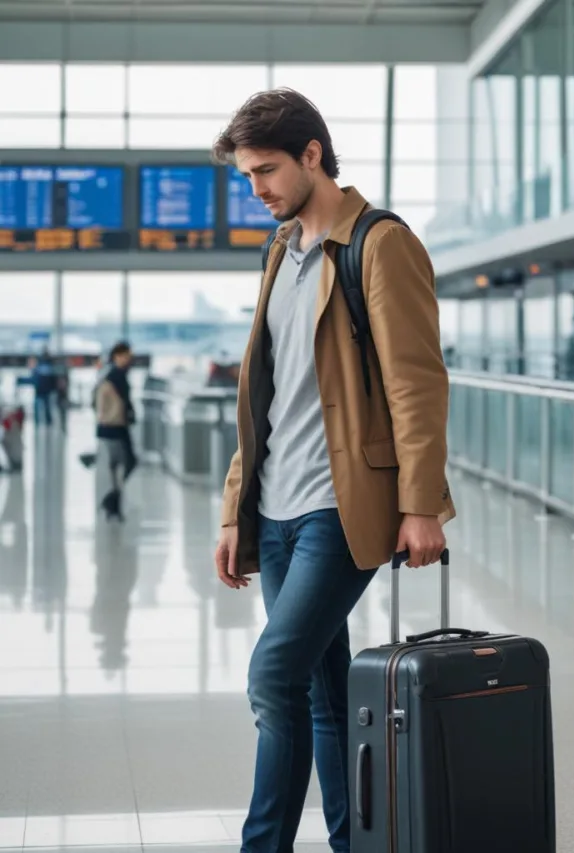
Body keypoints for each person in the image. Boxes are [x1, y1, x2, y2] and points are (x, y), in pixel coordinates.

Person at [212, 88, 455, 853]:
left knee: (271, 677)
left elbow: (416, 382)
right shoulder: (280, 250)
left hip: (338, 508)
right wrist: (233, 509)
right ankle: (356, 842)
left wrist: (420, 505)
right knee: (319, 693)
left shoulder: (379, 243)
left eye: (267, 171)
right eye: (247, 176)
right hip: (276, 508)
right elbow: (264, 391)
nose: (257, 190)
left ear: (312, 153)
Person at [95, 341, 137, 521]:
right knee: (122, 463)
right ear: (117, 356)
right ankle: (112, 502)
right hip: (113, 426)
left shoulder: (117, 375)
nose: (129, 359)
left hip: (118, 426)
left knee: (123, 463)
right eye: (125, 355)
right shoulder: (114, 377)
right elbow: (103, 403)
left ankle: (113, 501)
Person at [32, 348, 57, 427]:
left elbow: (53, 379)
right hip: (41, 390)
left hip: (45, 390)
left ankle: (47, 421)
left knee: (46, 406)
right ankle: (38, 421)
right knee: (39, 406)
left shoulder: (49, 364)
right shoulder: (41, 365)